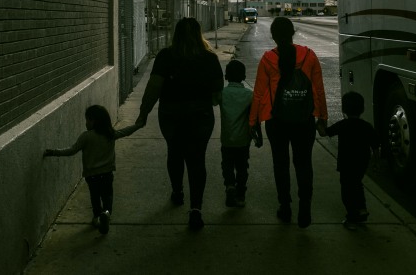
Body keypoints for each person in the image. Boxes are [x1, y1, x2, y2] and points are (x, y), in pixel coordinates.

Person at [135, 17, 224, 230]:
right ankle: (196, 209)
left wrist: (143, 114)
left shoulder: (166, 56)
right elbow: (217, 93)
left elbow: (154, 87)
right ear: (198, 33)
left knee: (174, 153)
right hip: (200, 115)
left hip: (171, 114)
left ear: (176, 34)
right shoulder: (209, 58)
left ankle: (177, 192)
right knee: (197, 159)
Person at [249, 16, 328, 228]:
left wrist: (254, 121)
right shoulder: (309, 56)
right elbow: (319, 89)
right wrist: (322, 117)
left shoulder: (268, 59)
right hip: (304, 120)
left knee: (280, 163)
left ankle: (285, 207)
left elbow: (258, 93)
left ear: (273, 36)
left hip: (277, 121)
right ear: (293, 33)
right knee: (304, 163)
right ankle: (305, 208)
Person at [44, 104, 139, 235]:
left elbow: (71, 150)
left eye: (88, 119)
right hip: (107, 174)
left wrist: (53, 152)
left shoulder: (86, 136)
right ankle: (106, 213)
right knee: (107, 196)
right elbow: (126, 131)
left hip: (92, 176)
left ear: (94, 121)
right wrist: (138, 125)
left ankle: (97, 217)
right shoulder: (110, 134)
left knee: (95, 198)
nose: (86, 123)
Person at [322, 91, 380, 230]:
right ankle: (361, 208)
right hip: (361, 162)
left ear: (344, 109)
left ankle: (352, 217)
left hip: (346, 161)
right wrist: (375, 161)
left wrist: (319, 122)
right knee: (357, 184)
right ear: (362, 109)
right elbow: (375, 145)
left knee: (347, 189)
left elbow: (325, 132)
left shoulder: (342, 125)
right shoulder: (366, 126)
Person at [218, 59, 254, 208]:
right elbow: (253, 118)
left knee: (227, 164)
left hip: (227, 139)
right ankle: (240, 195)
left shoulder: (222, 94)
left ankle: (230, 185)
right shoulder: (249, 95)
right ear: (244, 76)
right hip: (243, 139)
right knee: (242, 167)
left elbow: (213, 101)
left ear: (226, 76)